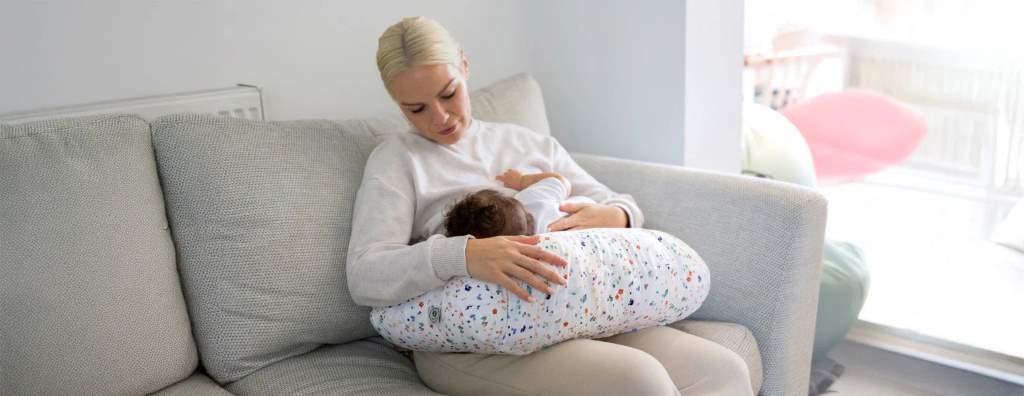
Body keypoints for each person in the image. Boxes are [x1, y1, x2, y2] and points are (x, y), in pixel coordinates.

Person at [347, 16, 753, 396]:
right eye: (415, 109)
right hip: (472, 339)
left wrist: (614, 216)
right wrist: (465, 255)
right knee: (638, 381)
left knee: (724, 369)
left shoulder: (527, 144)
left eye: (448, 94)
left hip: (572, 310)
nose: (439, 118)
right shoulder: (397, 161)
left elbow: (621, 204)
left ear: (465, 67)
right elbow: (365, 274)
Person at [443, 169, 595, 238]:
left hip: (594, 220)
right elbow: (562, 181)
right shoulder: (532, 198)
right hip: (593, 212)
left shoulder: (540, 244)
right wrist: (522, 180)